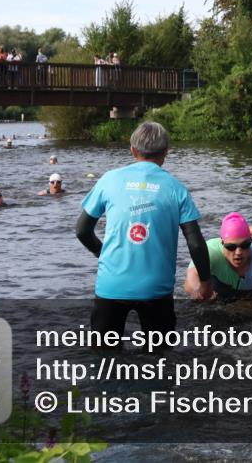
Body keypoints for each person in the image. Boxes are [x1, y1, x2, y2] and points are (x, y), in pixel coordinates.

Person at [75, 121, 212, 340]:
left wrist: (102, 254)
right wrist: (205, 282)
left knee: (104, 359)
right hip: (156, 289)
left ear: (132, 149)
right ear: (166, 151)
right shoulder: (176, 188)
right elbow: (194, 242)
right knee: (159, 358)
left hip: (111, 286)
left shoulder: (109, 180)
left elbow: (82, 231)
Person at [184, 212, 252, 305]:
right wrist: (195, 290)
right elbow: (192, 275)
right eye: (231, 247)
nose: (238, 252)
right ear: (222, 243)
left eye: (245, 245)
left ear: (250, 242)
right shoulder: (211, 251)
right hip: (221, 281)